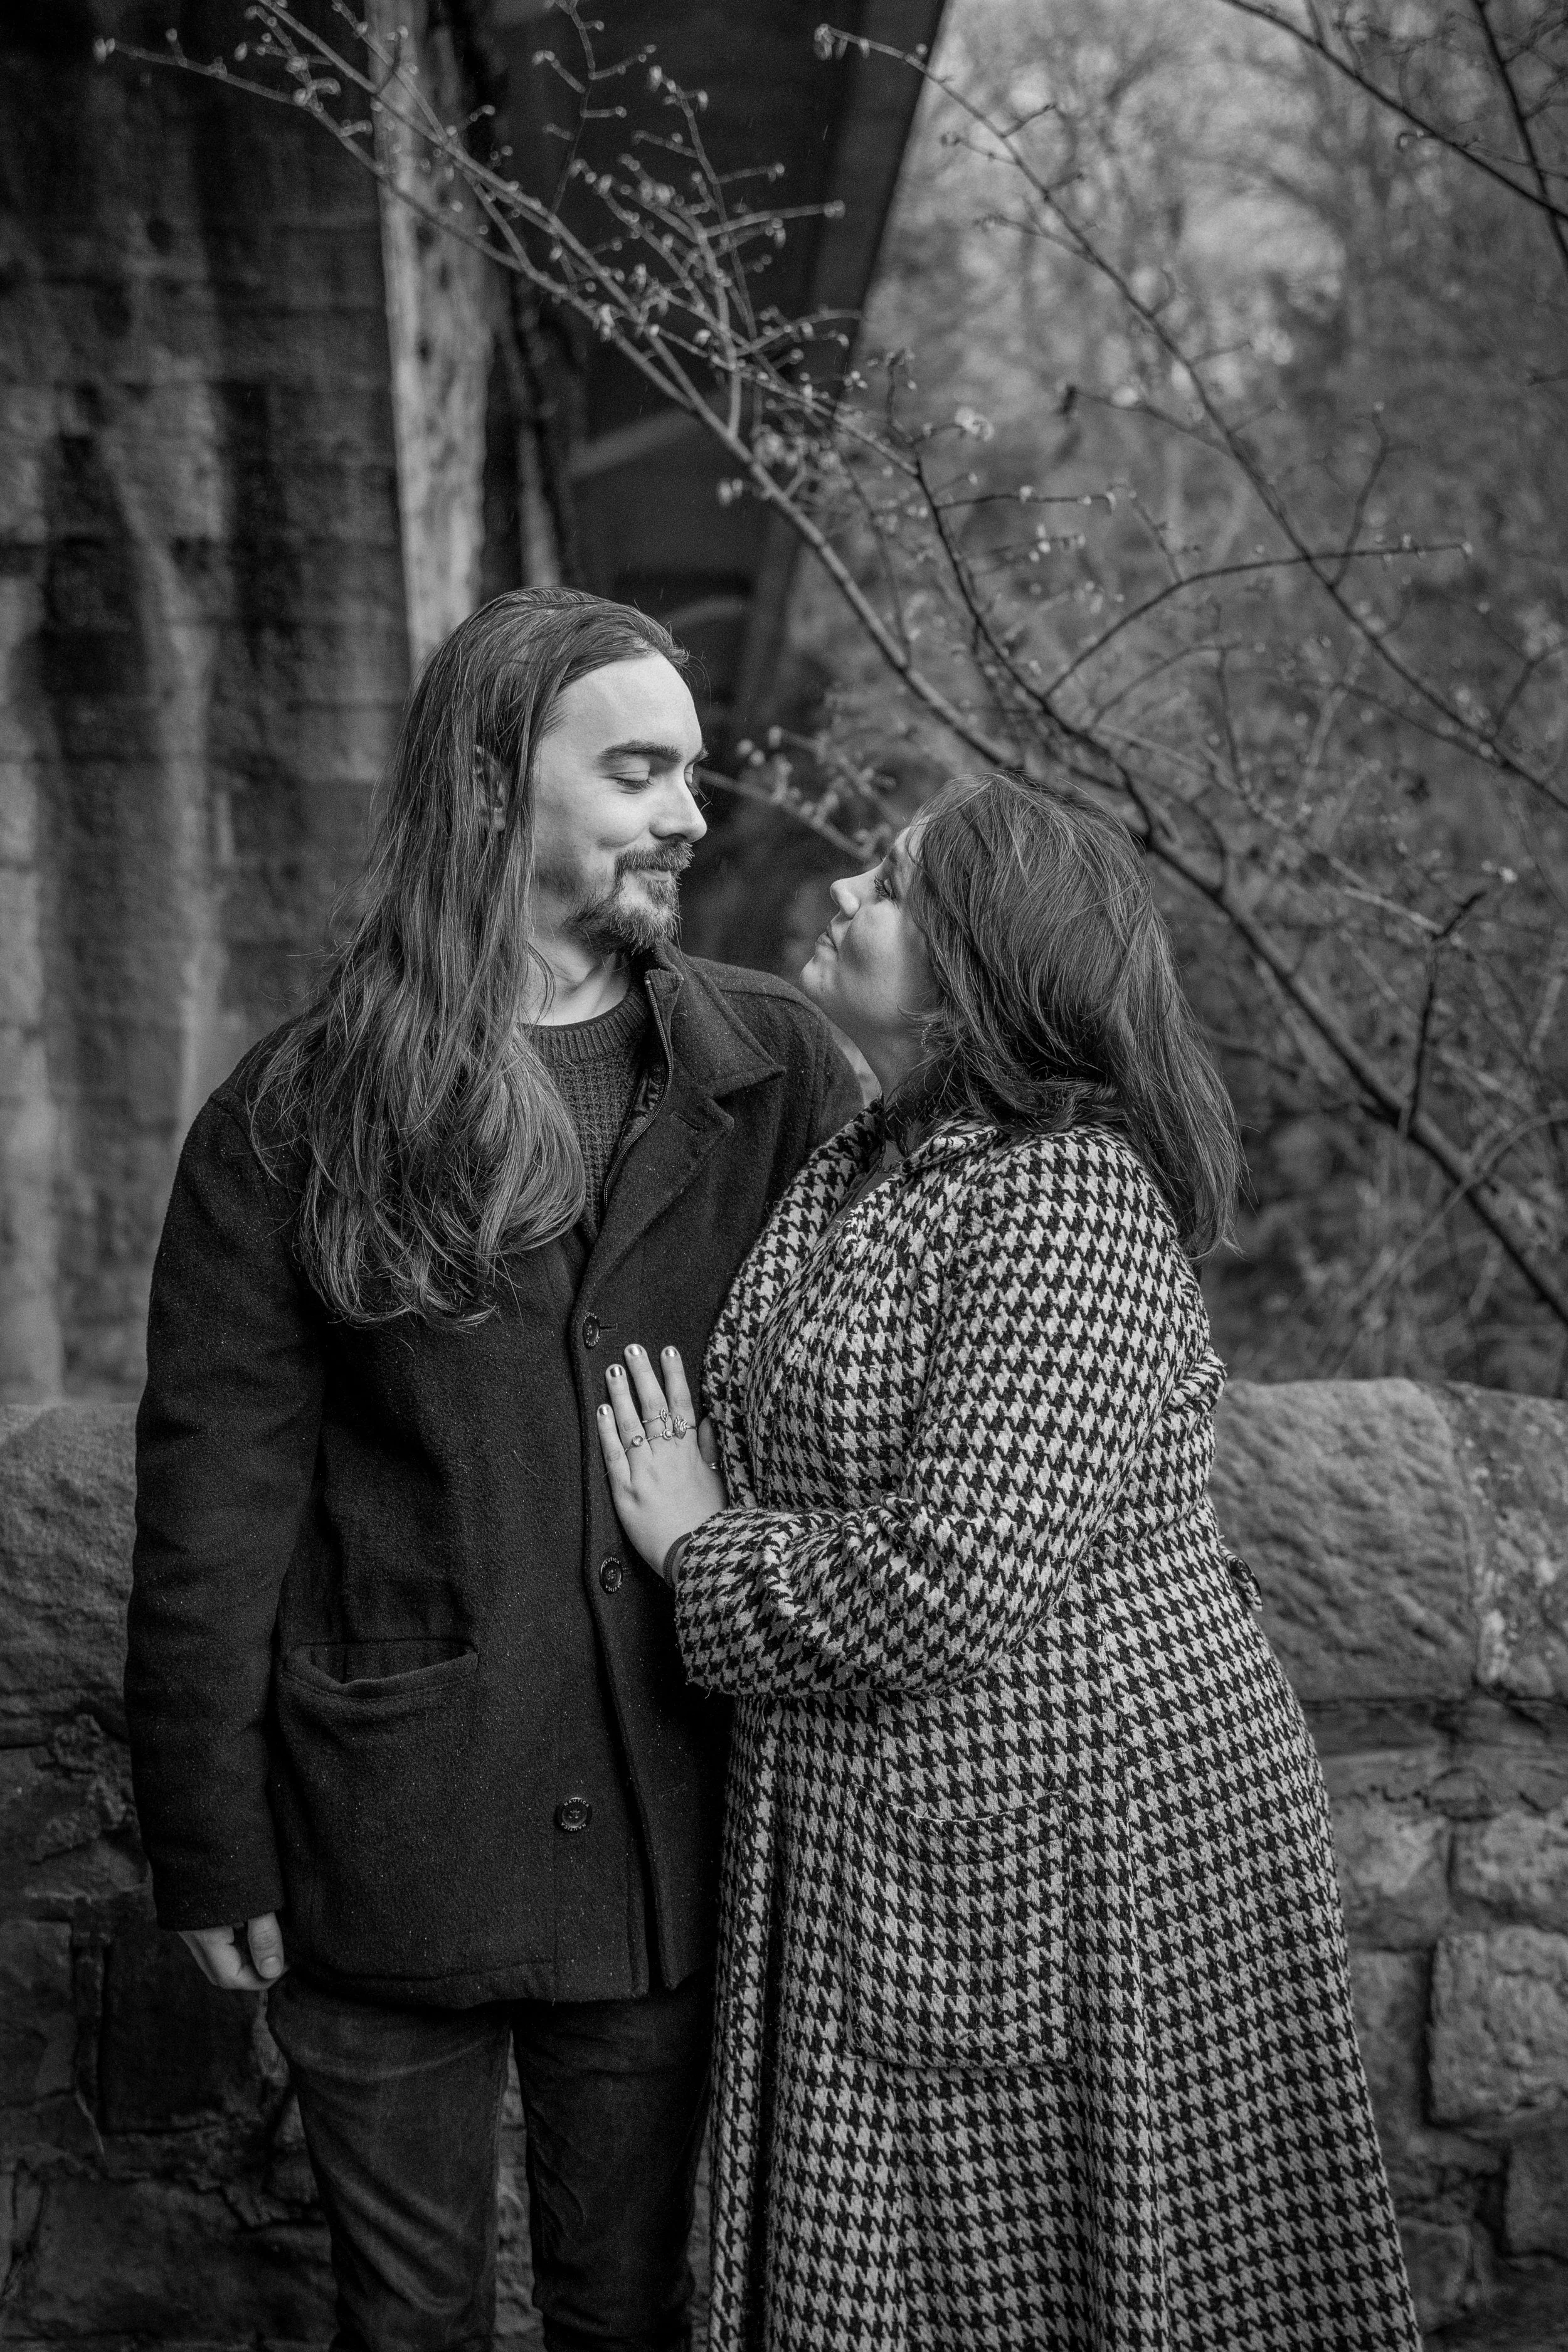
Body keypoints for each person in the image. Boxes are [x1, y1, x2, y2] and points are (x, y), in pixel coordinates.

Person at [594, 775, 1422, 2352]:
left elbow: (950, 1572)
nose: (846, 894)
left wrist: (705, 1547)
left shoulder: (1065, 1196)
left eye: (893, 886)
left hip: (1065, 1856)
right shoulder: (871, 1164)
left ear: (985, 965)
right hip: (901, 1824)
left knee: (1058, 2286)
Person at [124, 586, 862, 2352]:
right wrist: (210, 1844)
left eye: (688, 772)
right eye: (635, 770)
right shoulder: (298, 1113)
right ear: (483, 783)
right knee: (408, 2314)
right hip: (387, 1835)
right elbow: (213, 1500)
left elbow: (882, 1409)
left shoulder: (774, 1074)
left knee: (637, 2306)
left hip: (686, 1826)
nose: (689, 813)